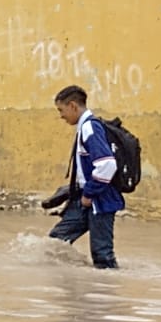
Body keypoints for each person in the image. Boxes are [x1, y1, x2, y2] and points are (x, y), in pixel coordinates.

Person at [47, 84, 123, 269]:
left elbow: (107, 164)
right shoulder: (84, 128)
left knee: (102, 256)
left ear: (73, 106)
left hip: (99, 200)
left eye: (61, 110)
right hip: (85, 199)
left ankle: (104, 294)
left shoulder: (90, 128)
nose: (61, 116)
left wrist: (89, 194)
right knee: (55, 242)